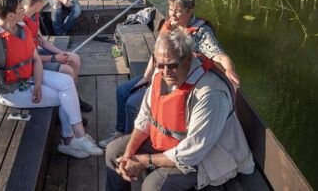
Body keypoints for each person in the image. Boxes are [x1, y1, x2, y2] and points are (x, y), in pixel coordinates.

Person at [0, 0, 102, 159]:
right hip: (12, 92)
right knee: (65, 97)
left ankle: (78, 137)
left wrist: (39, 84)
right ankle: (69, 141)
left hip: (30, 79)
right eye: (20, 8)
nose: (24, 10)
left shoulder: (22, 28)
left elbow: (36, 60)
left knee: (67, 82)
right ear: (11, 16)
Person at [104, 33, 255, 191]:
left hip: (207, 156)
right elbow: (145, 117)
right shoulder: (162, 71)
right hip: (169, 141)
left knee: (152, 186)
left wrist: (144, 160)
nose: (165, 72)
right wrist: (129, 153)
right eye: (160, 65)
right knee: (114, 151)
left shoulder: (210, 93)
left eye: (172, 65)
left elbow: (192, 152)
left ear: (188, 59)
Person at [100, 0, 241, 148]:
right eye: (171, 9)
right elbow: (156, 55)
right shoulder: (170, 26)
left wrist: (230, 69)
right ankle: (119, 133)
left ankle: (128, 140)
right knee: (122, 91)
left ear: (190, 11)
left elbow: (221, 56)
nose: (172, 14)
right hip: (160, 75)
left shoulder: (201, 32)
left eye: (178, 11)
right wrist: (146, 78)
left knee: (132, 103)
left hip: (178, 81)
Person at [23, 0, 93, 112]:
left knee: (74, 58)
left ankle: (74, 97)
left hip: (38, 54)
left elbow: (42, 42)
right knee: (67, 70)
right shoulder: (20, 22)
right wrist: (55, 58)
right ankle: (69, 105)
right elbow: (29, 57)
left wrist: (63, 53)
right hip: (32, 61)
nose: (45, 3)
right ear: (38, 2)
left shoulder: (34, 16)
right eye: (44, 0)